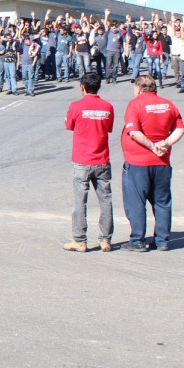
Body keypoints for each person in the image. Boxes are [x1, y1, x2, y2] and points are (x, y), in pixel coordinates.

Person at [120, 74, 184, 252]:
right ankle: (162, 240)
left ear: (139, 89)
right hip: (162, 162)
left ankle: (137, 239)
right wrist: (166, 143)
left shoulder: (135, 104)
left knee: (136, 202)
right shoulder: (168, 104)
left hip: (138, 161)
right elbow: (180, 128)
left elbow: (134, 132)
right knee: (162, 201)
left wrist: (151, 146)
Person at [63, 73, 115, 253]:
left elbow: (69, 125)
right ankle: (105, 239)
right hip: (102, 160)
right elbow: (108, 128)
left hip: (82, 160)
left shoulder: (76, 106)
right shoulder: (107, 107)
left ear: (82, 87)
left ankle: (80, 239)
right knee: (105, 200)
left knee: (80, 201)